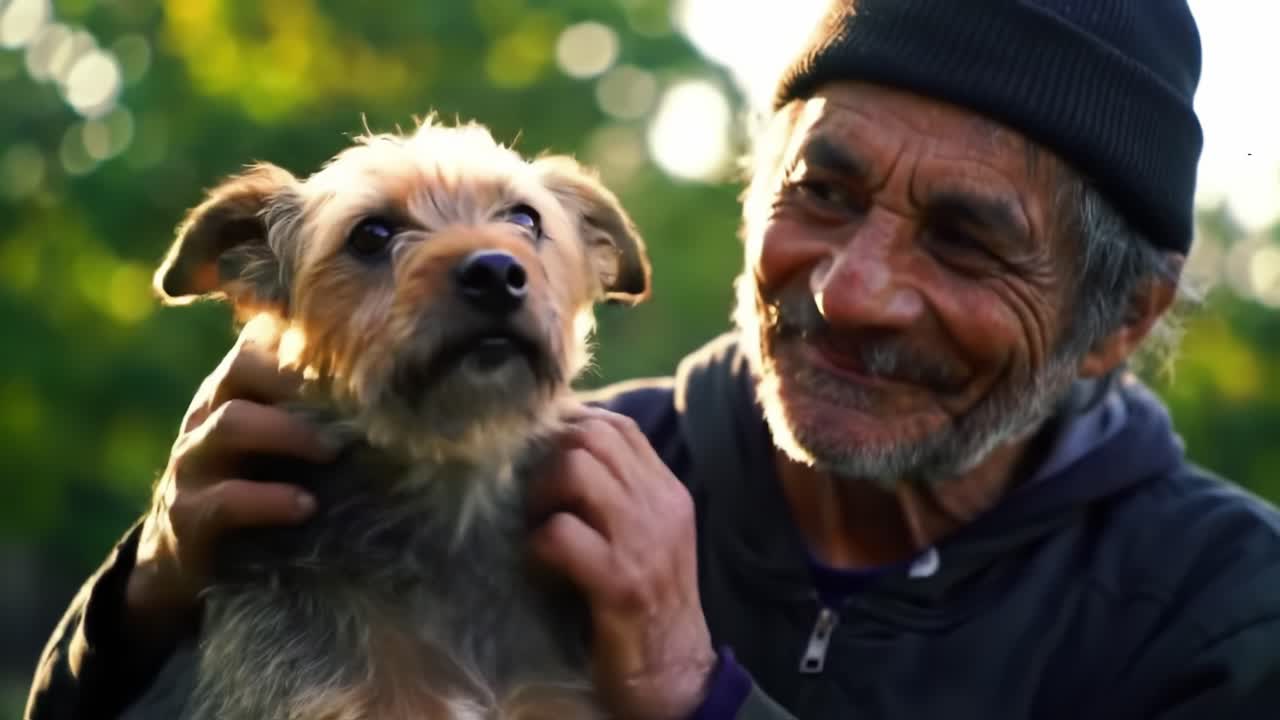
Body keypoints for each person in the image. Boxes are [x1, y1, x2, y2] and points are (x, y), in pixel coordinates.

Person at [25, 1, 1280, 718]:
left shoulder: (1226, 612)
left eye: (963, 240)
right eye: (822, 193)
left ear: (1116, 321)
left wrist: (697, 694)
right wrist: (145, 605)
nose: (850, 290)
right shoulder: (540, 484)